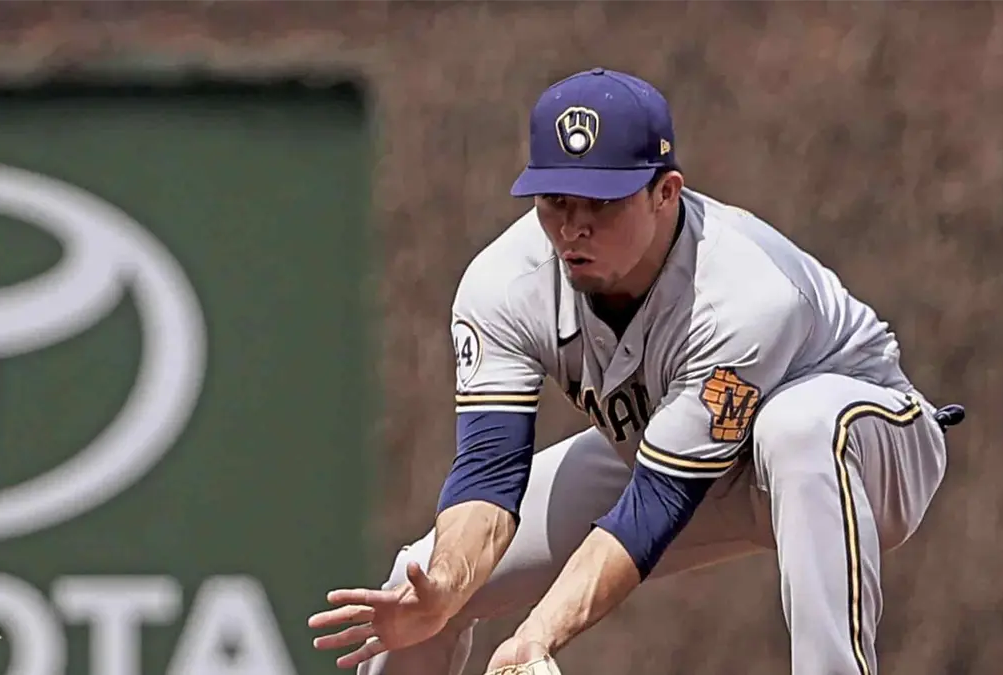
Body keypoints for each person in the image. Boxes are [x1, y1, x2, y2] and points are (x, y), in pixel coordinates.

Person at [307, 67, 964, 675]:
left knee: (795, 429)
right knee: (420, 582)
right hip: (674, 449)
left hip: (868, 451)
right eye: (556, 200)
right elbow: (489, 472)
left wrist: (538, 635)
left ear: (664, 193)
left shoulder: (744, 290)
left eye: (603, 202)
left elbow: (655, 507)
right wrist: (450, 583)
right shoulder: (506, 282)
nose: (574, 228)